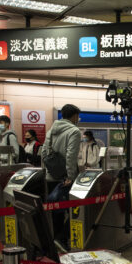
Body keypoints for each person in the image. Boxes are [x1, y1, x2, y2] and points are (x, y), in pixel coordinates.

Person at [41, 104, 81, 249]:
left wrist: (48, 170)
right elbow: (71, 155)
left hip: (51, 176)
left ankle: (57, 240)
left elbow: (44, 153)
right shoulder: (74, 131)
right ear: (74, 116)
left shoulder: (51, 130)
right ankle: (62, 237)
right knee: (76, 210)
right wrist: (70, 175)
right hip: (65, 177)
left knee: (55, 209)